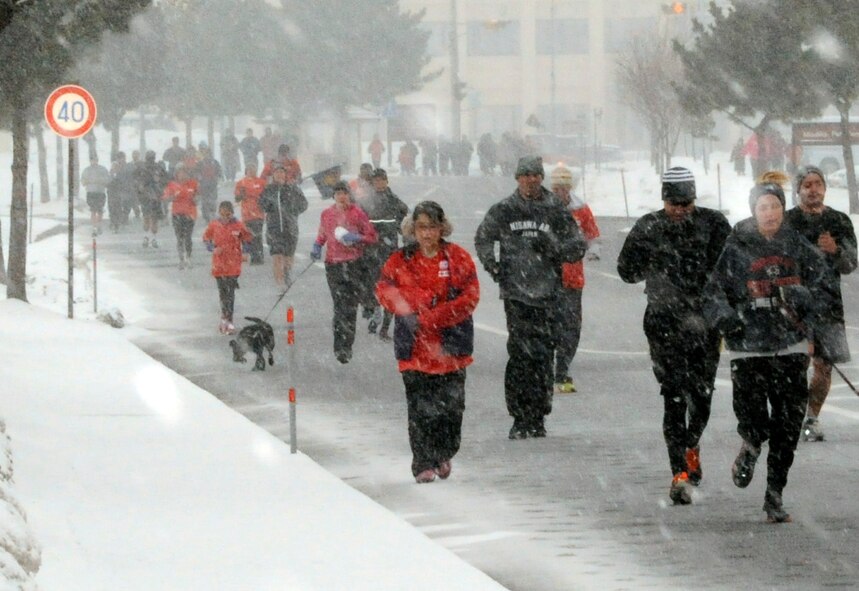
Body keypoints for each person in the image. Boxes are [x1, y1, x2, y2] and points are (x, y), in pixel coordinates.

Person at [704, 183, 836, 523]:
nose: (770, 213)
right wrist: (726, 319)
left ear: (782, 208)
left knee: (787, 425)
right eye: (763, 207)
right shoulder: (736, 248)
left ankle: (774, 494)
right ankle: (749, 445)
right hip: (748, 349)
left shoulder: (797, 246)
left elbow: (824, 287)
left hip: (790, 347)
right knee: (754, 418)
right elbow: (714, 292)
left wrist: (802, 299)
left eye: (775, 206)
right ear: (753, 210)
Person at [616, 167, 731, 506]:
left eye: (686, 203)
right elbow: (626, 271)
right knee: (673, 394)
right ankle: (678, 472)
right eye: (673, 203)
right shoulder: (649, 226)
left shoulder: (713, 224)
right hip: (663, 321)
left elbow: (730, 268)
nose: (680, 210)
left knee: (702, 395)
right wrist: (649, 261)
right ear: (663, 199)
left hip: (705, 322)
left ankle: (692, 442)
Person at [474, 156, 586, 440]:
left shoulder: (554, 209)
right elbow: (483, 238)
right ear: (517, 178)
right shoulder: (505, 209)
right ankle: (519, 415)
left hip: (549, 293)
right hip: (516, 294)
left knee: (543, 354)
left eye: (536, 175)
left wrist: (554, 249)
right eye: (525, 175)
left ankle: (538, 414)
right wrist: (494, 266)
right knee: (520, 355)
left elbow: (577, 244)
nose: (531, 180)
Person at [376, 201, 480, 483]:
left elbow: (470, 296)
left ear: (441, 228)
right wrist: (411, 307)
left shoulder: (457, 258)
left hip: (451, 350)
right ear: (413, 229)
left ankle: (443, 452)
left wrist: (438, 316)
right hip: (414, 351)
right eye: (421, 227)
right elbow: (384, 290)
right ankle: (422, 461)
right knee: (420, 410)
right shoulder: (400, 260)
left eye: (432, 227)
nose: (427, 234)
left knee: (451, 410)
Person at [785, 166, 858, 441]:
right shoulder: (787, 221)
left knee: (824, 367)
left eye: (818, 183)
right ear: (798, 189)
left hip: (828, 303)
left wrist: (836, 250)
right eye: (807, 184)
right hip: (793, 306)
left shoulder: (838, 221)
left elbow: (852, 263)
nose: (813, 189)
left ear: (825, 188)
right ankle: (789, 416)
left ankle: (811, 418)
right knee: (794, 364)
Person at [310, 181, 378, 364]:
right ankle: (339, 347)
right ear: (334, 196)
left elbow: (372, 237)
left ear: (350, 195)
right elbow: (323, 234)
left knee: (349, 307)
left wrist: (357, 238)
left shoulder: (358, 213)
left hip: (354, 264)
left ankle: (346, 346)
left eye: (345, 193)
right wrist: (317, 246)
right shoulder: (327, 214)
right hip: (334, 266)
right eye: (338, 193)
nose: (342, 197)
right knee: (340, 307)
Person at [549, 165, 601, 394]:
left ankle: (562, 369)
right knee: (549, 327)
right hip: (546, 279)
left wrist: (593, 250)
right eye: (557, 187)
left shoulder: (580, 209)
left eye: (564, 187)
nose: (561, 191)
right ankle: (546, 368)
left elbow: (592, 234)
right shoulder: (543, 208)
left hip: (572, 279)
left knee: (570, 328)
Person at [358, 168, 409, 340]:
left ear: (387, 182)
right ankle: (373, 311)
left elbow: (404, 215)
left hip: (389, 250)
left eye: (382, 180)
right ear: (372, 183)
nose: (379, 184)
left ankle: (385, 327)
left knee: (391, 287)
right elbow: (358, 220)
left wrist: (395, 229)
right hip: (370, 249)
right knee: (371, 283)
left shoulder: (394, 200)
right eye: (376, 181)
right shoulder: (365, 201)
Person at [202, 201, 253, 335]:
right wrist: (212, 248)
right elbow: (206, 238)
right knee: (222, 292)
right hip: (219, 265)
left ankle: (229, 320)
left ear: (232, 213)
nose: (225, 217)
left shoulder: (238, 225)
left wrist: (246, 252)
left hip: (233, 264)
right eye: (223, 214)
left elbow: (247, 238)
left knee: (230, 292)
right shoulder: (214, 225)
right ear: (219, 213)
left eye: (228, 214)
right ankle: (224, 318)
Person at [259, 165, 308, 288]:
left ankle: (287, 275)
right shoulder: (269, 190)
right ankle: (279, 284)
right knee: (277, 256)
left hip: (290, 228)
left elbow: (304, 204)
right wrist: (270, 205)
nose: (280, 175)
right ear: (273, 175)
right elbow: (262, 204)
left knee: (288, 257)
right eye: (277, 173)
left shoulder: (292, 189)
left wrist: (293, 211)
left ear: (286, 175)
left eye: (282, 172)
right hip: (274, 229)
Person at [161, 164, 199, 270]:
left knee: (188, 237)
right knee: (179, 238)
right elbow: (165, 198)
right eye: (180, 172)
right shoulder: (172, 185)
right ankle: (181, 259)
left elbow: (198, 196)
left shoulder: (193, 183)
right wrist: (173, 197)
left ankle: (188, 258)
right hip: (177, 214)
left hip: (190, 214)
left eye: (184, 172)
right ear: (176, 174)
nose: (182, 175)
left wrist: (195, 199)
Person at [234, 162, 267, 265]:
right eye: (250, 168)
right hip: (247, 213)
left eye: (254, 168)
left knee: (257, 234)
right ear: (246, 170)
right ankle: (253, 255)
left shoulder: (262, 182)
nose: (252, 171)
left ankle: (259, 256)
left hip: (258, 213)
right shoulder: (241, 183)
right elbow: (237, 198)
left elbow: (266, 196)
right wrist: (242, 194)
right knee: (249, 235)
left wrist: (264, 203)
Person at [135, 151, 169, 248]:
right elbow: (136, 181)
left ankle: (150, 237)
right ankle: (150, 237)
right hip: (149, 196)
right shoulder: (145, 168)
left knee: (151, 218)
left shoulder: (154, 168)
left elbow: (165, 180)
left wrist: (159, 183)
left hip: (152, 196)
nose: (150, 160)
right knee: (151, 218)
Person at [80, 155, 111, 235]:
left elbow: (107, 180)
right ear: (90, 161)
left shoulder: (103, 169)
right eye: (92, 160)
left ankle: (99, 225)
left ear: (97, 160)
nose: (94, 162)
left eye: (95, 160)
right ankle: (94, 226)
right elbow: (83, 181)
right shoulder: (86, 170)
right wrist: (89, 182)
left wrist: (100, 181)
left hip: (100, 192)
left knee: (100, 210)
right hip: (91, 192)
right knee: (93, 210)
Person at [196, 146, 223, 223]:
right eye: (206, 153)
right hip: (203, 184)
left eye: (209, 153)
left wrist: (218, 177)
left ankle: (212, 213)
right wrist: (199, 177)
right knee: (204, 201)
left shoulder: (214, 162)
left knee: (212, 200)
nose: (207, 155)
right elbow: (196, 172)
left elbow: (219, 171)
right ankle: (206, 216)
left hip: (213, 184)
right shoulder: (200, 163)